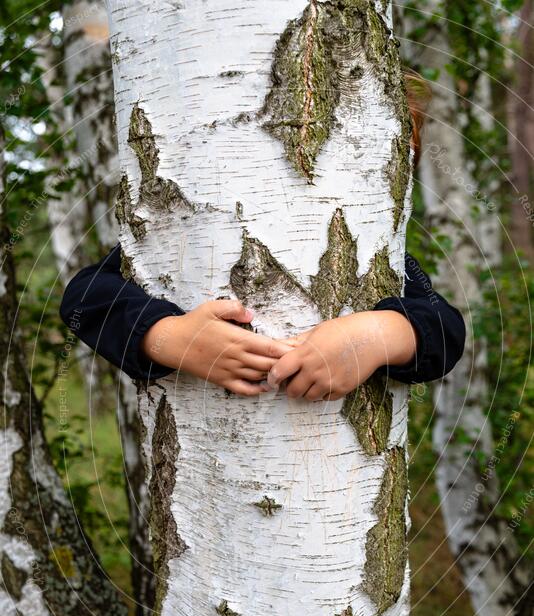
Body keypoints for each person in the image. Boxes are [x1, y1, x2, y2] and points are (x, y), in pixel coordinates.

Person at [60, 74, 465, 399]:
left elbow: (444, 329)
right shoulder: (187, 233)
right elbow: (86, 295)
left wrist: (378, 335)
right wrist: (168, 337)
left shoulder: (378, 250)